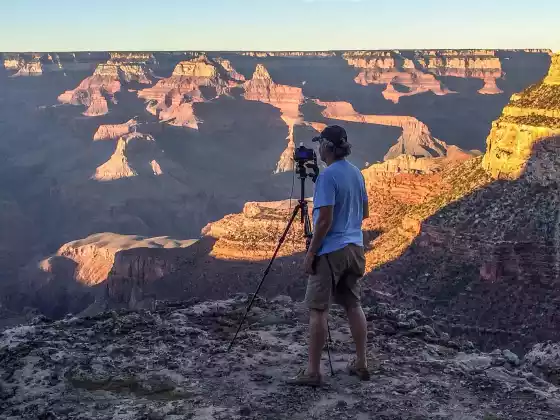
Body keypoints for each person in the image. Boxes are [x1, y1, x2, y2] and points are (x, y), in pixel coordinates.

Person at [288, 125, 370, 387]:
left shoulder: (327, 177)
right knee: (353, 304)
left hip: (330, 251)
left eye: (321, 143)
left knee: (318, 309)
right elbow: (365, 212)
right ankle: (361, 362)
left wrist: (311, 253)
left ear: (329, 147)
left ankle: (313, 372)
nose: (318, 148)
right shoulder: (357, 173)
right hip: (355, 247)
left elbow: (323, 221)